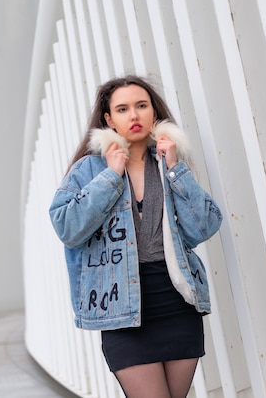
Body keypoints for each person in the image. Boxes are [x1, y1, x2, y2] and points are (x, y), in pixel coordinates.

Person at [49, 75, 223, 398]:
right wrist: (111, 176)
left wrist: (175, 170)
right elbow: (66, 226)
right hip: (122, 311)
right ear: (108, 119)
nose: (134, 115)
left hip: (176, 304)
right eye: (123, 108)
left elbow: (204, 227)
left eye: (142, 106)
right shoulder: (90, 169)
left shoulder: (168, 163)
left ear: (153, 113)